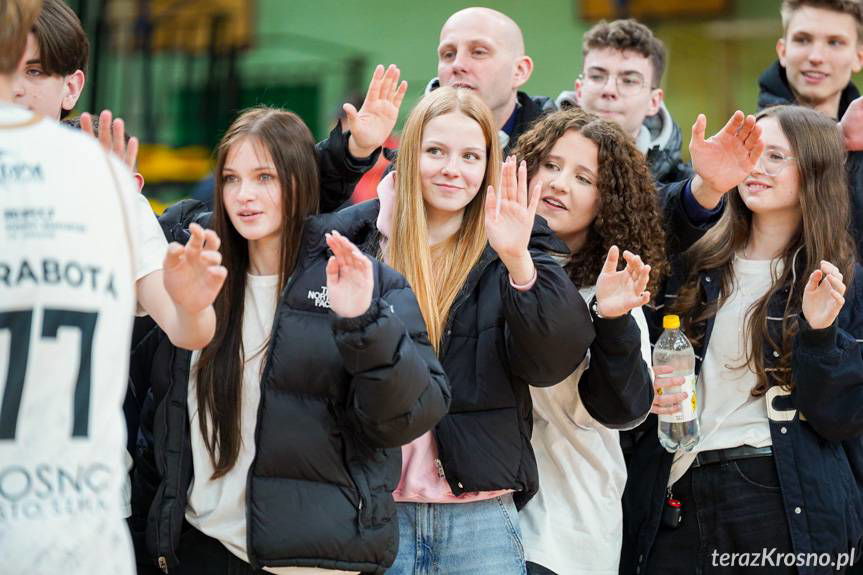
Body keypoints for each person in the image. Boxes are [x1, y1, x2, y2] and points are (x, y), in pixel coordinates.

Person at [130, 107, 450, 574]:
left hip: (312, 559)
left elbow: (408, 416)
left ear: (300, 181)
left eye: (265, 177)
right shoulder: (196, 271)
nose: (245, 196)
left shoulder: (360, 276)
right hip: (199, 547)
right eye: (232, 179)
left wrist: (363, 322)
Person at [0, 0, 224, 573]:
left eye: (35, 71)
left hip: (76, 506)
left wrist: (195, 301)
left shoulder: (105, 186)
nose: (17, 89)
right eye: (5, 67)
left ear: (71, 85)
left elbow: (186, 329)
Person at [343, 86, 593, 574]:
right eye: (435, 151)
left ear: (489, 166)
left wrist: (518, 260)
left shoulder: (519, 239)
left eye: (470, 156)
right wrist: (381, 230)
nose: (451, 169)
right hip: (375, 509)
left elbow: (552, 361)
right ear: (412, 154)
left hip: (478, 513)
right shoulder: (365, 236)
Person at [622, 105, 863, 574]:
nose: (756, 166)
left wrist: (819, 334)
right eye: (751, 152)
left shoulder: (844, 282)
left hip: (778, 492)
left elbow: (841, 418)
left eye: (776, 156)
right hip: (677, 490)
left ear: (814, 172)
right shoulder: (694, 262)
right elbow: (638, 228)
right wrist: (707, 185)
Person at [510, 108, 664, 575]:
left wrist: (610, 320)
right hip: (480, 513)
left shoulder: (611, 291)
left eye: (583, 178)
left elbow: (626, 409)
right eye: (551, 166)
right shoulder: (487, 269)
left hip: (564, 525)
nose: (558, 184)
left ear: (607, 203)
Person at [556, 18, 692, 186]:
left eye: (629, 81)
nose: (609, 90)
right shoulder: (536, 151)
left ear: (654, 102)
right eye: (597, 76)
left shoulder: (685, 189)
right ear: (579, 90)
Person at [427, 7, 554, 153]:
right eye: (448, 54)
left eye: (478, 52)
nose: (457, 64)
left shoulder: (556, 151)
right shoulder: (413, 148)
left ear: (519, 71)